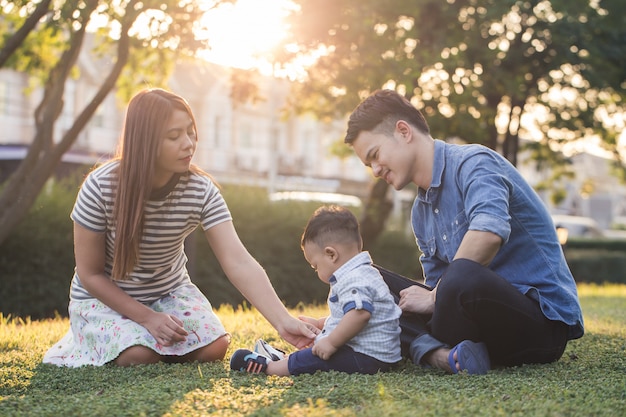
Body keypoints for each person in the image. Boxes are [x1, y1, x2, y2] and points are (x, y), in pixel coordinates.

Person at [43, 88, 318, 367]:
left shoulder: (201, 190)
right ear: (145, 141)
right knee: (139, 356)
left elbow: (238, 261)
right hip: (105, 302)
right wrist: (148, 319)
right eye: (174, 136)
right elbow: (90, 274)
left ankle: (151, 340)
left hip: (168, 294)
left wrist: (283, 322)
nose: (188, 144)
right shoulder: (100, 186)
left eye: (190, 132)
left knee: (215, 346)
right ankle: (104, 339)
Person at [343, 89, 584, 375]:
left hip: (539, 327)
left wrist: (434, 297)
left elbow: (488, 233)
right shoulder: (420, 212)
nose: (374, 169)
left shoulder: (474, 163)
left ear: (403, 131)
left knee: (460, 273)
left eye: (375, 155)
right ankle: (442, 356)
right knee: (362, 276)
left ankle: (425, 349)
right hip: (476, 328)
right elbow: (438, 298)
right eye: (368, 164)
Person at [229, 205, 402, 376]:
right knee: (313, 354)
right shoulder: (366, 272)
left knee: (310, 358)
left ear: (331, 254)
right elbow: (355, 313)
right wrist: (321, 324)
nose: (316, 271)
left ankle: (269, 367)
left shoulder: (354, 279)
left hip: (366, 357)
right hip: (379, 354)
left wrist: (331, 343)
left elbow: (360, 315)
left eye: (315, 266)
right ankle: (280, 359)